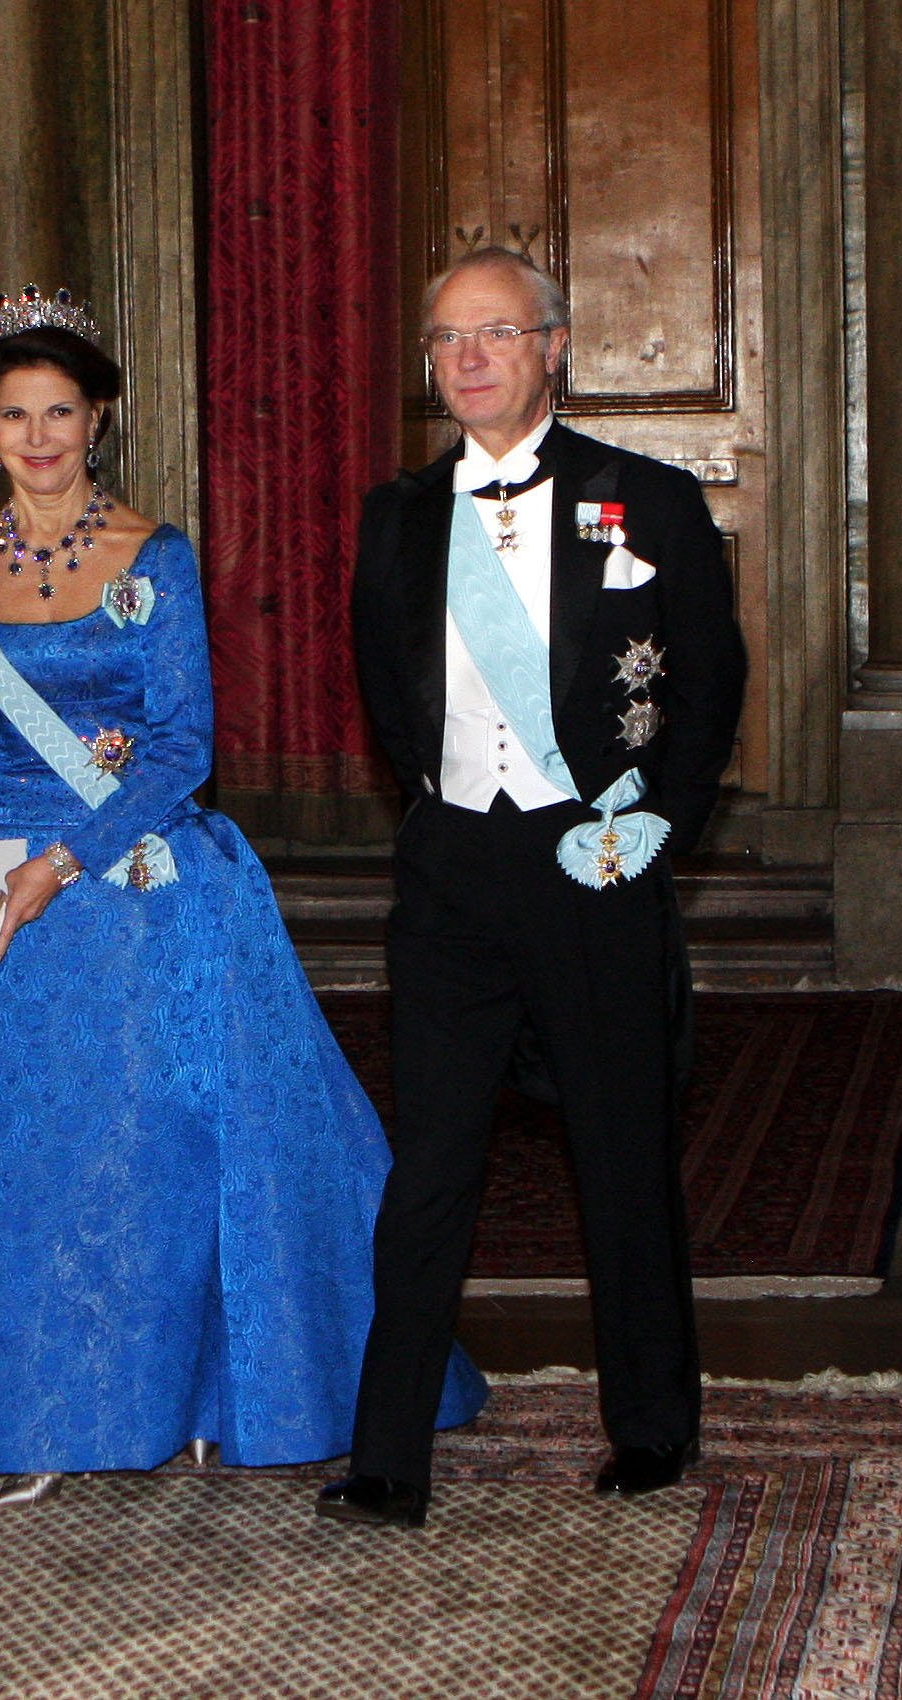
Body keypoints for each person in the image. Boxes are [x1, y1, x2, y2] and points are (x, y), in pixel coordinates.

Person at [0, 286, 486, 1507]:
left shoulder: (156, 556)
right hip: (0, 902)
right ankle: (52, 1410)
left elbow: (179, 747)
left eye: (59, 410)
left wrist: (63, 862)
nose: (38, 436)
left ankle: (198, 1397)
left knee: (161, 1151)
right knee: (31, 1162)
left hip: (139, 884)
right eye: (12, 415)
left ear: (96, 417)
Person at [317, 247, 746, 1531]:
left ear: (553, 345)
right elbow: (390, 689)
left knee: (619, 1147)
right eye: (448, 338)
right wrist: (445, 817)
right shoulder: (397, 515)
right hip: (454, 871)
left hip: (593, 859)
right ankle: (389, 1451)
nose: (470, 358)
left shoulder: (648, 500)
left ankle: (655, 1425)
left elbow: (709, 686)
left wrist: (649, 823)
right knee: (432, 1160)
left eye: (496, 333)